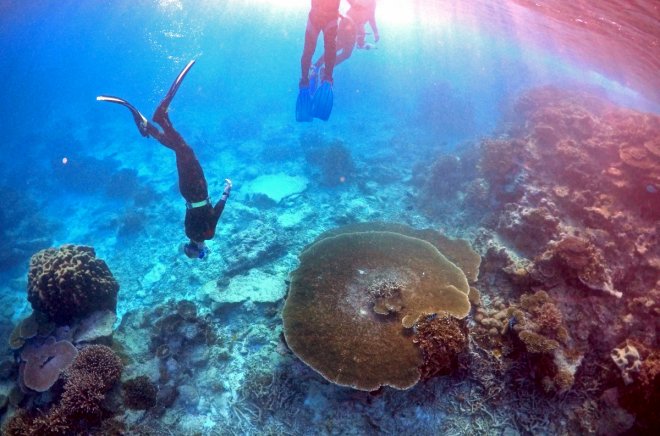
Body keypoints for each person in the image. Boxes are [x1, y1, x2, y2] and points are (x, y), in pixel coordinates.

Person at [97, 60, 232, 260]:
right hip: (186, 192)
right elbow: (200, 215)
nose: (205, 251)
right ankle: (149, 128)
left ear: (200, 248)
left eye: (202, 253)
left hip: (198, 191)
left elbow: (216, 212)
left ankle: (161, 119)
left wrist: (226, 192)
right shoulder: (188, 233)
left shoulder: (208, 235)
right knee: (180, 151)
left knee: (186, 150)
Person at [296, 0, 341, 122]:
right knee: (328, 48)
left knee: (309, 50)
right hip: (327, 16)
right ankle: (326, 79)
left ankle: (306, 81)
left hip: (317, 16)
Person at [311, 0, 379, 72]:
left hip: (348, 24)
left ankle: (319, 66)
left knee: (344, 52)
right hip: (349, 24)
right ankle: (320, 67)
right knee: (341, 50)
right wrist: (375, 32)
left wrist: (374, 32)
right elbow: (370, 17)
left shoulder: (371, 4)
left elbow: (369, 17)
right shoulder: (372, 3)